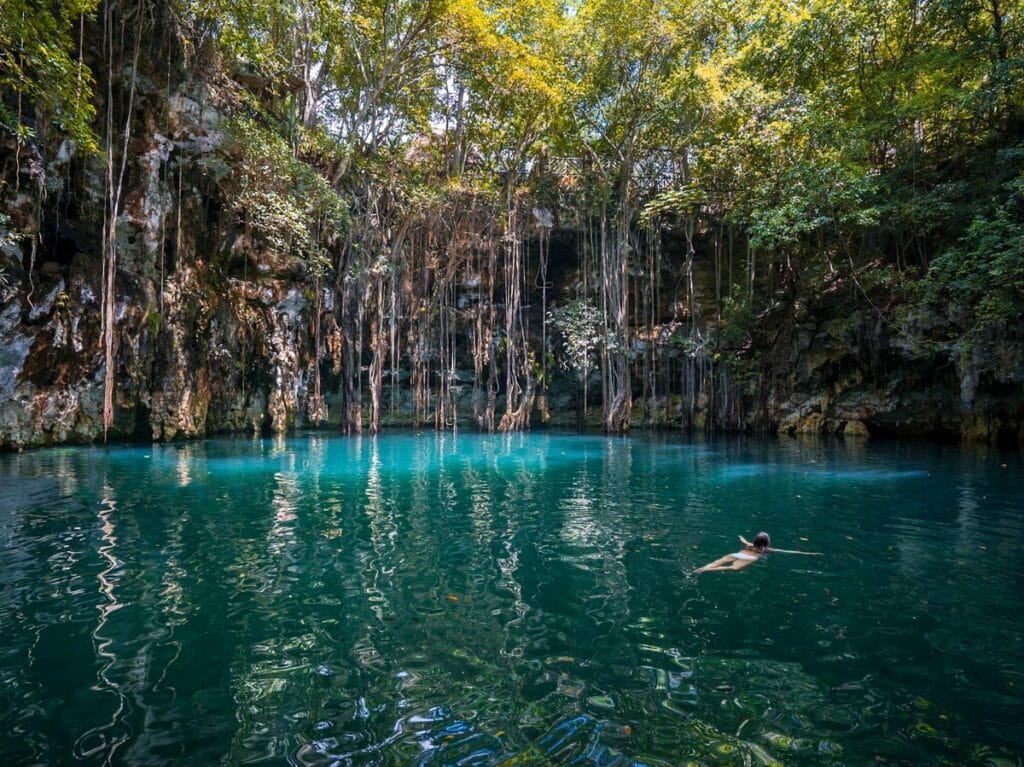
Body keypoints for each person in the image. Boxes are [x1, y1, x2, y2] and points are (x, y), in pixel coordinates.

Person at [693, 532, 821, 574]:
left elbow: (743, 541)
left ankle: (703, 568)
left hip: (737, 554)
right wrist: (806, 554)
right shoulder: (767, 550)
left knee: (717, 561)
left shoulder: (749, 544)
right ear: (767, 543)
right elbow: (787, 552)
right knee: (732, 568)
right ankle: (706, 570)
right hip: (749, 559)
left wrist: (740, 537)